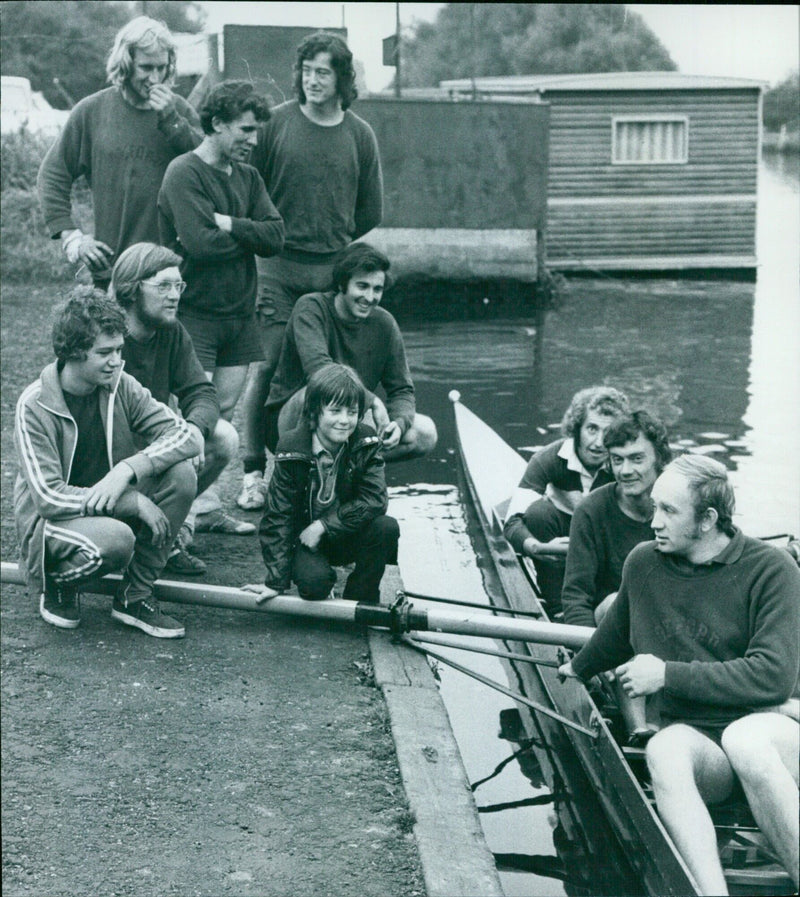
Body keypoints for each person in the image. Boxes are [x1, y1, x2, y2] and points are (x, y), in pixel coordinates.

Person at [559, 455, 800, 895]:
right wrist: (575, 668)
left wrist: (667, 675)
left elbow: (774, 678)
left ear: (708, 519)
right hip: (705, 749)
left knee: (744, 739)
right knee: (665, 748)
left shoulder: (773, 570)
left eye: (669, 511)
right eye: (654, 508)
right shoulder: (644, 562)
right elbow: (613, 637)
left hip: (773, 732)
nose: (654, 522)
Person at [237, 30, 383, 511]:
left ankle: (315, 471)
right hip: (276, 266)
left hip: (331, 271)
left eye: (323, 72)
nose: (312, 80)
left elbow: (370, 212)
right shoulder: (277, 125)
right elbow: (246, 187)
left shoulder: (360, 134)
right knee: (270, 361)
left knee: (325, 372)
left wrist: (331, 241)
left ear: (342, 78)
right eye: (306, 71)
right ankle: (254, 472)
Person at [13, 288, 202, 638]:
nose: (116, 361)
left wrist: (128, 470)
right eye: (105, 353)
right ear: (73, 351)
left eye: (119, 350)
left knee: (182, 474)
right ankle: (56, 582)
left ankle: (135, 595)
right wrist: (129, 499)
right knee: (118, 539)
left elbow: (186, 435)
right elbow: (47, 497)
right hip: (55, 523)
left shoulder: (120, 385)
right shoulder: (35, 404)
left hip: (105, 504)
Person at [158, 80, 285, 535]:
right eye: (246, 130)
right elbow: (200, 244)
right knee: (192, 416)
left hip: (239, 313)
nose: (253, 141)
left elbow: (276, 237)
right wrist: (247, 235)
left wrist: (232, 223)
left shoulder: (249, 178)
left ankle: (205, 508)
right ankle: (177, 518)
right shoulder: (183, 173)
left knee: (224, 415)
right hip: (194, 311)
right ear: (216, 124)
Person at [110, 242, 253, 576]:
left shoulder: (172, 331)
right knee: (177, 454)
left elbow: (201, 392)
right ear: (132, 289)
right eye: (163, 286)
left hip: (153, 440)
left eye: (178, 285)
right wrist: (172, 440)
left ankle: (169, 531)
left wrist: (192, 429)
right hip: (109, 452)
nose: (174, 295)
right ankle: (137, 529)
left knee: (223, 437)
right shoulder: (106, 333)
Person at [37, 16, 202, 286]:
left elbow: (209, 170)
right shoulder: (92, 111)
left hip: (172, 270)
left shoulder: (180, 110)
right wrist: (73, 239)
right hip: (112, 269)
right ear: (125, 64)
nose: (155, 78)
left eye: (162, 68)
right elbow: (52, 176)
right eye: (146, 68)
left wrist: (172, 122)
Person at [262, 243, 437, 461]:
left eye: (377, 289)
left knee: (424, 433)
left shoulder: (385, 323)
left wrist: (399, 424)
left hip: (348, 418)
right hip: (294, 419)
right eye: (362, 286)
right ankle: (308, 475)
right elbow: (319, 372)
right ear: (342, 283)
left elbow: (402, 389)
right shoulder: (310, 308)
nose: (370, 297)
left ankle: (350, 475)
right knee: (314, 393)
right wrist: (372, 400)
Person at [243, 364, 399, 606]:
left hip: (344, 532)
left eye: (352, 412)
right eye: (335, 411)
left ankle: (361, 596)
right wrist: (275, 581)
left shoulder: (365, 441)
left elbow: (375, 500)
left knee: (386, 528)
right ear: (314, 413)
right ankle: (320, 579)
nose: (344, 421)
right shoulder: (292, 448)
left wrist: (325, 525)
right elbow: (278, 515)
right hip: (306, 540)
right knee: (315, 586)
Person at [504, 386, 630, 610]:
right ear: (577, 428)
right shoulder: (547, 459)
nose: (599, 442)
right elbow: (512, 522)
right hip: (560, 539)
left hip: (601, 538)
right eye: (592, 429)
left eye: (608, 432)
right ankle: (557, 606)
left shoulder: (623, 464)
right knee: (538, 514)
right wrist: (536, 547)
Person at [562, 410, 672, 627]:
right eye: (617, 460)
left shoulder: (682, 506)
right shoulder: (590, 511)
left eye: (637, 459)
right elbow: (575, 598)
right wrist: (587, 656)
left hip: (667, 620)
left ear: (659, 458)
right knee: (616, 602)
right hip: (611, 630)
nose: (625, 471)